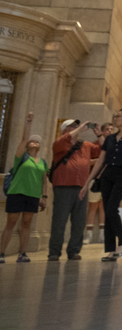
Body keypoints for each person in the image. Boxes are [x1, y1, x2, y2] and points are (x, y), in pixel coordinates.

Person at [79, 108, 122, 260]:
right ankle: (111, 250)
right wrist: (87, 182)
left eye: (118, 116)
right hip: (107, 175)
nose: (115, 118)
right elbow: (101, 161)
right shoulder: (110, 139)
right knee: (108, 211)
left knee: (112, 208)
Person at [47, 119, 102, 261]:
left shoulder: (85, 145)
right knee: (59, 221)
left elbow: (103, 149)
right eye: (72, 126)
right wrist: (79, 129)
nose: (77, 128)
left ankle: (74, 251)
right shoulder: (59, 143)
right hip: (63, 187)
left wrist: (99, 134)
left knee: (79, 222)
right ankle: (54, 252)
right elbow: (66, 138)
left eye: (76, 126)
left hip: (81, 188)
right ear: (65, 130)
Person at [1, 112, 50, 264]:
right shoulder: (21, 157)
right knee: (11, 222)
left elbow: (44, 181)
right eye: (32, 141)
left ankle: (22, 253)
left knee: (27, 223)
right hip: (17, 193)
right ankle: (1, 252)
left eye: (37, 141)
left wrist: (44, 197)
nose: (35, 142)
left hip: (33, 195)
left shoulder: (42, 162)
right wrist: (29, 122)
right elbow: (23, 139)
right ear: (28, 145)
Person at [85, 123, 114, 244]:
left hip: (109, 180)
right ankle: (89, 235)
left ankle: (103, 234)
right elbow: (87, 161)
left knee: (104, 206)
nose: (110, 131)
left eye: (112, 129)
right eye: (107, 129)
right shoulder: (95, 145)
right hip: (95, 179)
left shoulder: (114, 145)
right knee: (93, 206)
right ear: (102, 131)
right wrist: (100, 161)